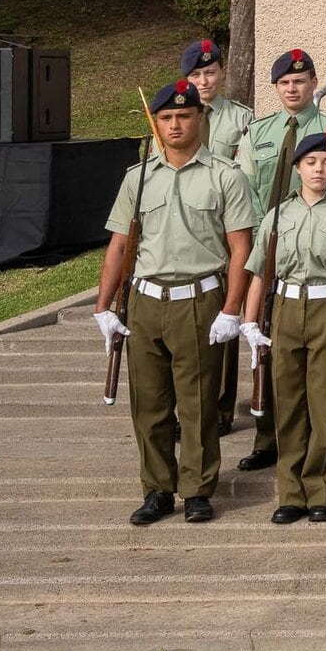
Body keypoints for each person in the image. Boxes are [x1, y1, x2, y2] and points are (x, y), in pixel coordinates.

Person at [94, 79, 255, 524]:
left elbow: (241, 248)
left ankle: (198, 489)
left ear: (199, 118)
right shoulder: (138, 178)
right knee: (148, 403)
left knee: (198, 401)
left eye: (184, 116)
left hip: (200, 299)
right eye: (166, 118)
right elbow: (120, 245)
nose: (175, 124)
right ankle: (157, 489)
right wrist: (103, 307)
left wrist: (232, 309)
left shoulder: (226, 176)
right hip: (146, 302)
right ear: (156, 124)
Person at [240, 126, 326, 523]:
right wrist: (249, 323)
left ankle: (325, 491)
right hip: (285, 309)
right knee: (290, 405)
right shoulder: (278, 215)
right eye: (312, 162)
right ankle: (291, 492)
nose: (320, 169)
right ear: (298, 168)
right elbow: (260, 275)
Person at [234, 48, 326, 472]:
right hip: (269, 246)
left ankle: (319, 448)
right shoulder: (257, 132)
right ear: (276, 87)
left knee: (315, 373)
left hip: (316, 249)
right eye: (285, 82)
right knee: (268, 355)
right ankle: (268, 438)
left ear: (313, 83)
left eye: (300, 81)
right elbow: (247, 187)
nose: (292, 88)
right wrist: (261, 238)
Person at [175, 38, 253, 165]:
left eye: (210, 73)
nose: (204, 81)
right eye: (195, 75)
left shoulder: (242, 117)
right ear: (186, 79)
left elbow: (246, 169)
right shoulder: (173, 118)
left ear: (223, 72)